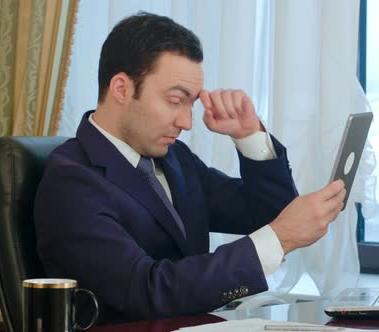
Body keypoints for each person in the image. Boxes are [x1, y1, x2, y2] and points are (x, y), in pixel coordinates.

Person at [34, 12, 345, 324]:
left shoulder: (174, 157)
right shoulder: (71, 181)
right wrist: (281, 237)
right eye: (174, 100)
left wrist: (249, 136)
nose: (186, 122)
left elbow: (270, 216)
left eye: (191, 103)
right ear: (122, 89)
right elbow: (146, 291)